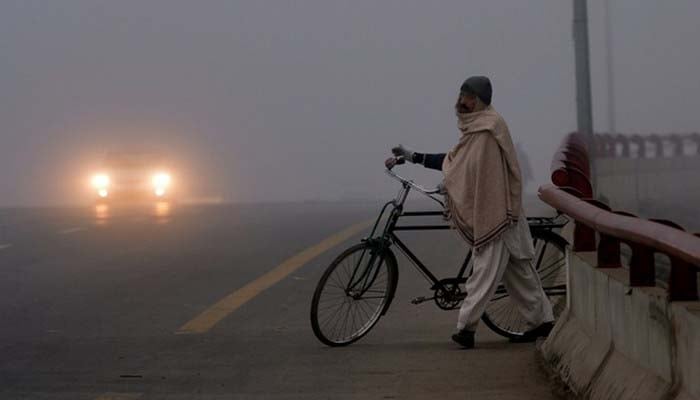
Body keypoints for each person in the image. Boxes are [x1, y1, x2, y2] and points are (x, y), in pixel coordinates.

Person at [386, 76, 554, 348]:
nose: (461, 102)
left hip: (496, 212)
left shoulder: (489, 129)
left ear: (478, 100)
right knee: (519, 273)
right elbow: (457, 161)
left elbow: (473, 171)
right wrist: (414, 156)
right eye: (461, 96)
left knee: (485, 272)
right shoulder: (476, 129)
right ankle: (543, 321)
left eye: (466, 97)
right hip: (503, 211)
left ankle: (466, 328)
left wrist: (451, 181)